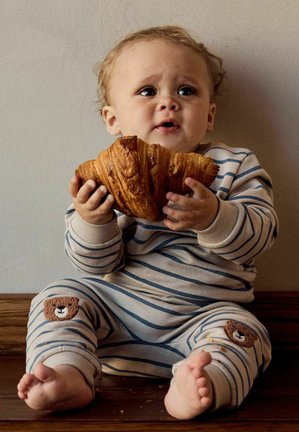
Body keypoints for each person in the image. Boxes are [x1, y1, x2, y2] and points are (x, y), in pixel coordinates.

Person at [17, 25, 278, 420]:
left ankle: (202, 385)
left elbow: (260, 235)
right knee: (59, 296)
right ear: (113, 118)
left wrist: (214, 217)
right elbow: (92, 264)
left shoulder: (232, 166)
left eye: (186, 91)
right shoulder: (105, 177)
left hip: (202, 319)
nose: (169, 102)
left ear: (209, 116)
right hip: (115, 318)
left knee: (245, 334)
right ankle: (68, 372)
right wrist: (94, 220)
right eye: (148, 91)